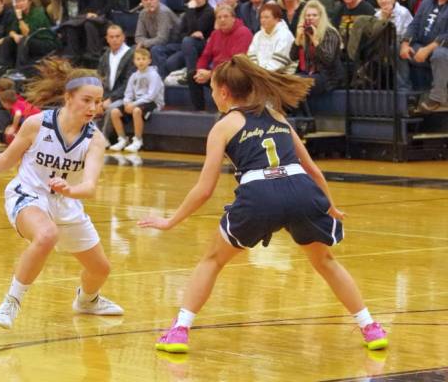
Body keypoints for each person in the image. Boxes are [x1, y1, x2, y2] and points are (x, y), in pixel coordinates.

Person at [139, 54, 389, 354]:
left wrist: (170, 221)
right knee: (325, 262)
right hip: (301, 190)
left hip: (259, 194)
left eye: (213, 90)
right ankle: (370, 326)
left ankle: (180, 330)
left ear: (224, 92)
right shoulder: (277, 117)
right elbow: (313, 169)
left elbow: (205, 190)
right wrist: (330, 206)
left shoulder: (223, 126)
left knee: (212, 260)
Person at [0, 58, 124, 330]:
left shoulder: (95, 140)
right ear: (68, 97)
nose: (93, 108)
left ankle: (87, 301)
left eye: (97, 102)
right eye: (86, 100)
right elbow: (6, 160)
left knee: (101, 269)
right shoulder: (37, 124)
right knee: (46, 235)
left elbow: (89, 187)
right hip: (28, 194)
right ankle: (11, 302)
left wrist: (70, 189)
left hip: (67, 203)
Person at [109, 47, 164, 152]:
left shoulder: (154, 75)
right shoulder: (134, 76)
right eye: (138, 59)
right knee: (115, 112)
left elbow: (151, 96)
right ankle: (122, 139)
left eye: (143, 59)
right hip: (136, 102)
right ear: (134, 61)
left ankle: (138, 140)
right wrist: (126, 103)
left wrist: (133, 104)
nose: (141, 61)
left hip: (153, 102)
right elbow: (128, 93)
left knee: (136, 110)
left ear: (149, 61)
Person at [290, 0, 343, 98]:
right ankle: (302, 113)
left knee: (297, 83)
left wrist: (315, 40)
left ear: (321, 17)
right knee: (288, 82)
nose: (311, 18)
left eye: (314, 15)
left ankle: (302, 113)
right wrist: (298, 38)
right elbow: (292, 57)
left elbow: (328, 60)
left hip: (327, 76)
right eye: (308, 15)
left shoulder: (329, 33)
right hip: (306, 73)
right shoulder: (304, 33)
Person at [248, 2, 296, 74]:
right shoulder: (258, 35)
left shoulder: (285, 35)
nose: (263, 20)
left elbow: (278, 64)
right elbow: (251, 54)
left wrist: (260, 74)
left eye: (266, 17)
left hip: (281, 75)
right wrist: (255, 71)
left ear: (277, 19)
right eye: (261, 17)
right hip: (260, 73)